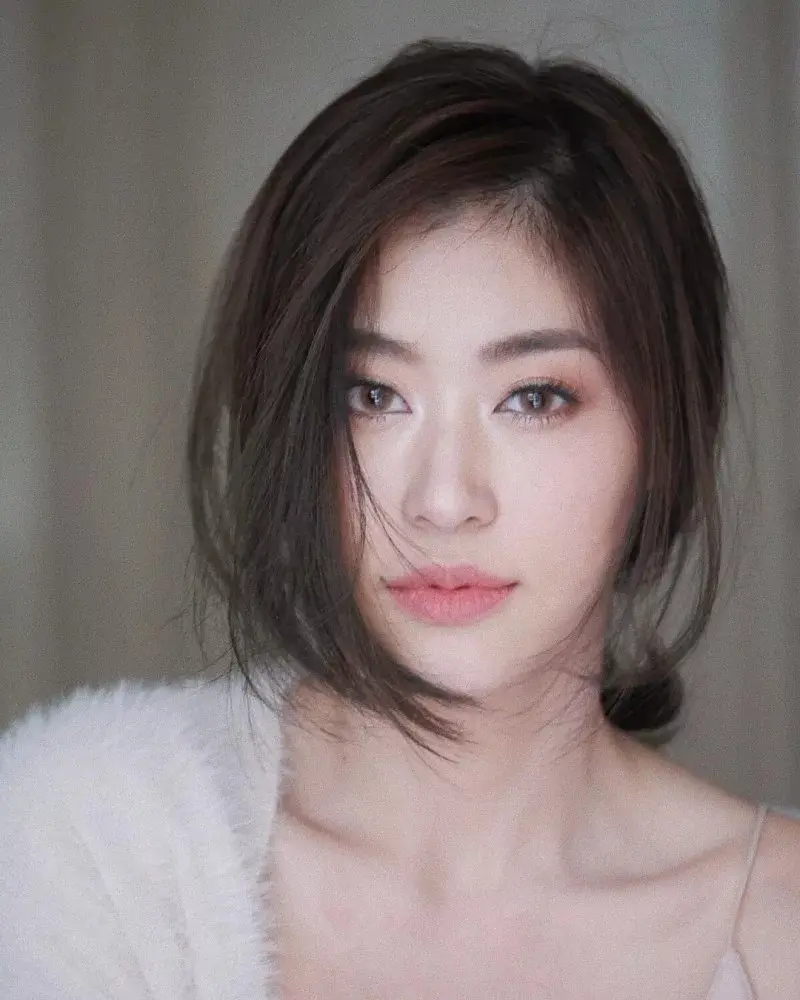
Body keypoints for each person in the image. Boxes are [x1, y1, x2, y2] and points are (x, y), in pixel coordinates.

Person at [1, 37, 798, 1000]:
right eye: (373, 395)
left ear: (664, 431)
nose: (443, 500)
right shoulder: (90, 851)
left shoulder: (778, 926)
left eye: (534, 397)